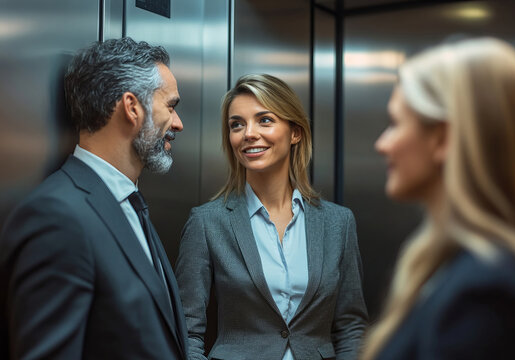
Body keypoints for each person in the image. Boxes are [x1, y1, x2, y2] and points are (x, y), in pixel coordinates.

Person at [0, 37, 188, 359]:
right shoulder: (57, 217)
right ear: (132, 108)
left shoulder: (127, 204)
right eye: (170, 106)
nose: (178, 124)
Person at [364, 37, 515, 360]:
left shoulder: (485, 295)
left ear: (442, 138)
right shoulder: (454, 265)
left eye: (395, 123)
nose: (381, 144)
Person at [175, 74, 368, 360]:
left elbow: (351, 326)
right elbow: (186, 331)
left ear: (295, 132)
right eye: (236, 124)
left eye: (264, 120)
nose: (248, 133)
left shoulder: (338, 223)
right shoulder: (207, 222)